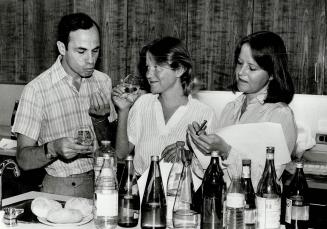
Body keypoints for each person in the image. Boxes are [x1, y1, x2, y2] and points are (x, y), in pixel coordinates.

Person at [12, 13, 116, 198]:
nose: (91, 60)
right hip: (61, 188)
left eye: (95, 50)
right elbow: (23, 159)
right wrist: (52, 149)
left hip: (105, 182)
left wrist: (100, 121)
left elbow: (114, 148)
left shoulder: (103, 81)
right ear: (62, 48)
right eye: (81, 51)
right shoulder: (37, 90)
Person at [188, 31, 297, 189]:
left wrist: (226, 151)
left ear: (272, 74)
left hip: (258, 210)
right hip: (226, 206)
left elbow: (267, 182)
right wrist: (201, 148)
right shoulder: (231, 108)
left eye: (252, 68)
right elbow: (211, 173)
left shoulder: (279, 115)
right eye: (239, 63)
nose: (241, 72)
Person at [110, 36, 219, 175]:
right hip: (142, 193)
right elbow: (121, 154)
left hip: (183, 194)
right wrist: (123, 110)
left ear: (179, 69)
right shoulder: (143, 104)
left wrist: (188, 156)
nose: (149, 74)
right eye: (148, 67)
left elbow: (213, 165)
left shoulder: (204, 113)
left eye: (157, 67)